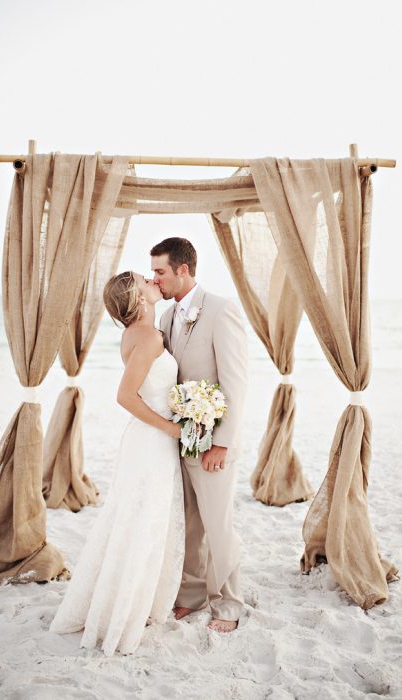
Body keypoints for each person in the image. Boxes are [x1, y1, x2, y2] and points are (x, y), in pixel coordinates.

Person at [49, 271, 185, 655]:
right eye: (146, 280)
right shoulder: (148, 336)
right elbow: (125, 396)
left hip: (146, 440)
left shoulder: (140, 333)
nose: (152, 280)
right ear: (136, 296)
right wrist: (173, 430)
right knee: (144, 521)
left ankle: (132, 599)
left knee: (135, 519)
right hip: (151, 441)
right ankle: (127, 608)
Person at [151, 237, 248, 633]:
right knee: (190, 522)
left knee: (216, 522)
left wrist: (222, 442)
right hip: (180, 439)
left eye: (160, 271)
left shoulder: (222, 311)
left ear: (183, 270)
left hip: (213, 443)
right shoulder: (165, 318)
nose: (154, 279)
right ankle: (191, 596)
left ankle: (229, 603)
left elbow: (235, 383)